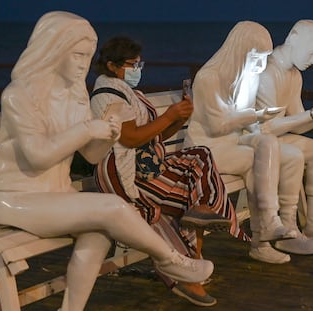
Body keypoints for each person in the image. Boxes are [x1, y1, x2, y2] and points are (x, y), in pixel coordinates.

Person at [0, 11, 213, 311]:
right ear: (54, 50)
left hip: (55, 195)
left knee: (101, 232)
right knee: (112, 207)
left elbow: (91, 156)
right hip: (15, 199)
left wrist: (107, 134)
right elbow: (38, 156)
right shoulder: (19, 95)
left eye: (87, 56)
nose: (83, 63)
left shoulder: (76, 95)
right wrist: (86, 129)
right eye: (77, 55)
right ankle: (170, 260)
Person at [90, 36, 250, 307]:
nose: (138, 69)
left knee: (200, 155)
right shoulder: (107, 96)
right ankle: (187, 275)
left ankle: (201, 213)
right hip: (125, 174)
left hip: (149, 165)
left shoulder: (130, 93)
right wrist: (169, 114)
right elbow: (129, 139)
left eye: (140, 64)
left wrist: (178, 120)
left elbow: (155, 138)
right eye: (132, 64)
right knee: (175, 203)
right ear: (112, 65)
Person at [183, 21, 299, 264]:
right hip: (206, 149)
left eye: (265, 58)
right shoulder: (209, 77)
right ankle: (261, 239)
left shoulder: (247, 76)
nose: (260, 65)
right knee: (255, 162)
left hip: (231, 142)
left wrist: (259, 121)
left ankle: (270, 221)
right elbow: (217, 126)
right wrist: (255, 115)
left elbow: (243, 122)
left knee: (267, 143)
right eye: (256, 57)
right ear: (239, 50)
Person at [256, 19, 313, 251]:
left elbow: (295, 123)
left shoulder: (294, 75)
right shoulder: (267, 71)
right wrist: (311, 115)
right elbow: (266, 128)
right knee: (294, 154)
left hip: (273, 136)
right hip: (256, 141)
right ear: (294, 38)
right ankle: (287, 228)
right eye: (312, 53)